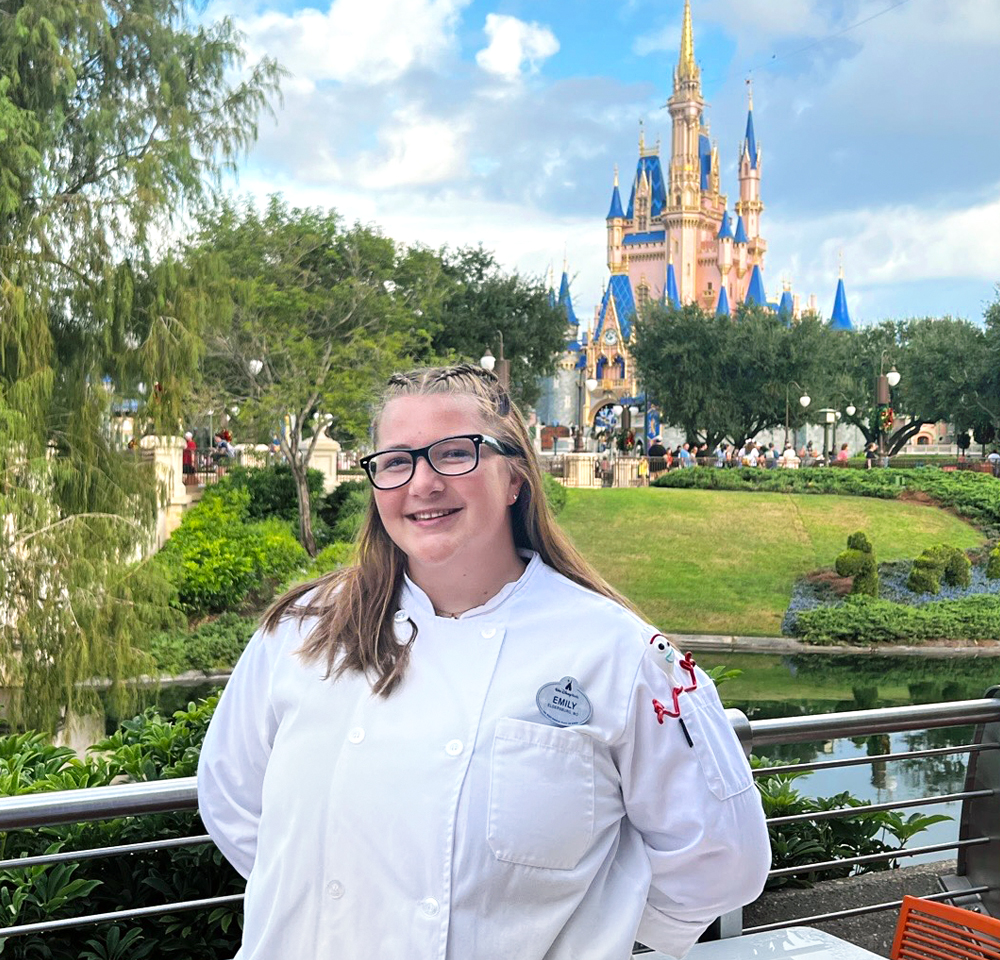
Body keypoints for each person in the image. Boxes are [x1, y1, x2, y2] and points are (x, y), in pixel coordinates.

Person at [197, 363, 770, 960]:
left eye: (453, 453)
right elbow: (233, 800)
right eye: (395, 461)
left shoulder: (619, 653)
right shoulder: (301, 632)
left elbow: (723, 858)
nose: (421, 483)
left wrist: (600, 929)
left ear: (516, 476)